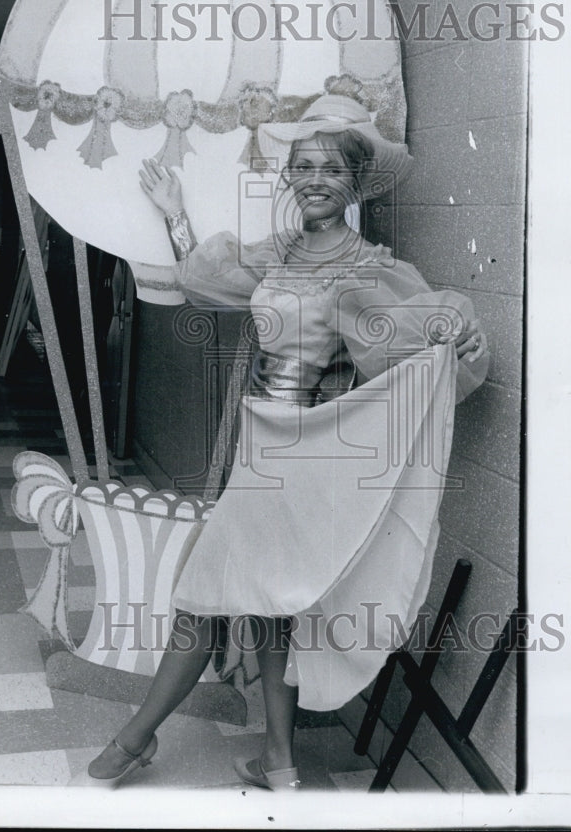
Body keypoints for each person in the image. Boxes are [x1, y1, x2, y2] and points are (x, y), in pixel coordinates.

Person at [87, 94, 489, 790]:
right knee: (270, 602)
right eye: (301, 166)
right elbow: (203, 282)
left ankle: (133, 738)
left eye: (330, 169)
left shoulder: (372, 268)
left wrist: (456, 338)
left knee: (203, 594)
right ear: (286, 177)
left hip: (306, 458)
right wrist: (176, 214)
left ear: (354, 183)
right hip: (259, 448)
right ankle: (279, 763)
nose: (313, 179)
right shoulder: (278, 253)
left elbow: (423, 342)